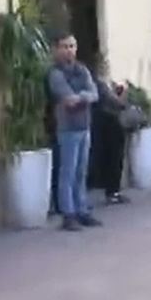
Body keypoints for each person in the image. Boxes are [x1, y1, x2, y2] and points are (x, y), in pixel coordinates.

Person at [47, 34, 102, 232]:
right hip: (67, 128)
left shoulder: (82, 70)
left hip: (84, 126)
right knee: (67, 173)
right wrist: (83, 97)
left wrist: (81, 97)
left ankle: (82, 211)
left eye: (72, 46)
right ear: (57, 49)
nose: (69, 50)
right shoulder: (55, 74)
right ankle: (68, 214)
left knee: (81, 172)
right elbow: (67, 99)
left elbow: (95, 94)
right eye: (65, 46)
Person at [88, 54, 130, 205]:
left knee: (112, 158)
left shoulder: (106, 83)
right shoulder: (99, 84)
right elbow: (116, 103)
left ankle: (112, 191)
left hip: (110, 124)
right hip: (107, 124)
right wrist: (123, 94)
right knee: (110, 159)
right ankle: (111, 191)